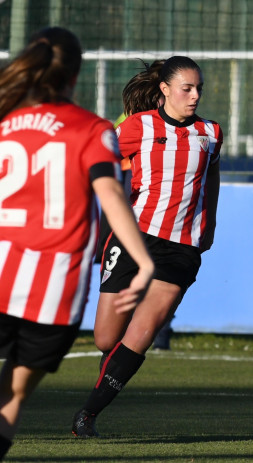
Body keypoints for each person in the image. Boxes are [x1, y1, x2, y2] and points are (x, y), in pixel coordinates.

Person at [0, 27, 153, 458]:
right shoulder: (91, 129)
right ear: (76, 73)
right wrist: (143, 261)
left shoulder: (5, 119)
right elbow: (110, 193)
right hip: (53, 292)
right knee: (12, 396)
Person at [71, 55, 222, 437]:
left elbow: (212, 175)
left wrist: (211, 223)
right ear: (165, 89)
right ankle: (111, 368)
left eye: (198, 89)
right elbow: (98, 163)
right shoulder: (138, 127)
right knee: (106, 338)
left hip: (181, 248)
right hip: (133, 237)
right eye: (186, 88)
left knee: (142, 332)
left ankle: (86, 416)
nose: (194, 96)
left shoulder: (211, 132)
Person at [94, 60, 174, 351]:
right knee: (106, 337)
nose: (192, 96)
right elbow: (106, 159)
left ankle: (160, 334)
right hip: (129, 208)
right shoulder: (133, 123)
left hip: (168, 229)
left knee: (163, 278)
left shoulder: (203, 131)